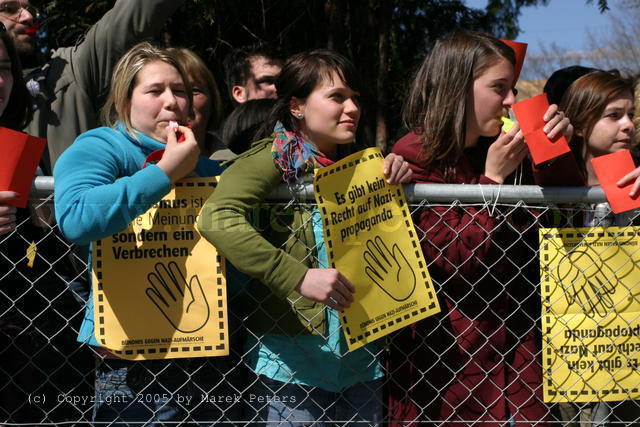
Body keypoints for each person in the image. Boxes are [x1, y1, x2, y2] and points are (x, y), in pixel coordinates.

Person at [197, 49, 412, 425]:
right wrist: (297, 276)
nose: (352, 108)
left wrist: (394, 169)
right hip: (291, 361)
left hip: (361, 360)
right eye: (337, 97)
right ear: (296, 106)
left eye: (355, 98)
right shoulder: (272, 158)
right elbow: (216, 217)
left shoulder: (361, 164)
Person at [386, 30, 572, 426]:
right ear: (458, 88)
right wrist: (491, 182)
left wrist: (552, 150)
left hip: (523, 357)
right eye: (498, 88)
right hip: (451, 366)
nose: (511, 101)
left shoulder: (505, 144)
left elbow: (570, 218)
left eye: (513, 89)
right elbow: (456, 260)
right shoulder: (414, 155)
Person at [53, 42, 240, 424]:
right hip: (127, 355)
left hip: (204, 350)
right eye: (155, 91)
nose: (172, 102)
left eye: (182, 92)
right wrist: (164, 173)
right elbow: (75, 217)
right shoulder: (100, 146)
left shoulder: (208, 168)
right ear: (125, 101)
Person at [0, 0, 187, 172]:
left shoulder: (68, 72)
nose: (28, 17)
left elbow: (132, 15)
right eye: (9, 9)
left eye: (30, 9)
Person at [554, 69, 638, 425]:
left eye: (631, 114)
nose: (628, 125)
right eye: (614, 115)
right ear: (583, 123)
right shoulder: (551, 186)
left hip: (625, 351)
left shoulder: (635, 178)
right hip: (566, 349)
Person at [168, 47, 235, 160]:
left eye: (194, 90)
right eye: (177, 91)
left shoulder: (236, 166)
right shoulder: (131, 162)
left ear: (213, 98)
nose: (184, 101)